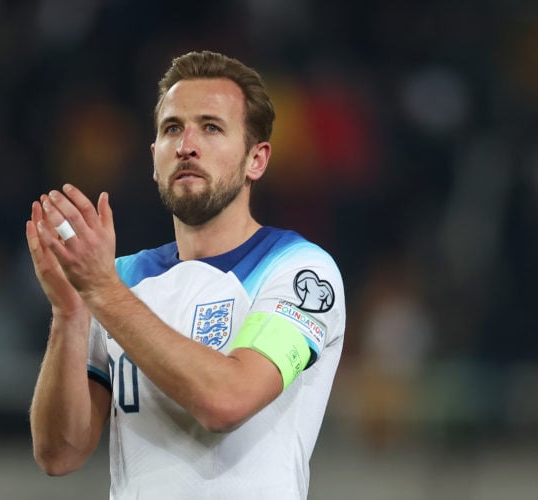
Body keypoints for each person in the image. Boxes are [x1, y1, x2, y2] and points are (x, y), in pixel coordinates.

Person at [26, 50, 345, 500]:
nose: (186, 145)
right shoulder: (123, 278)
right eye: (172, 128)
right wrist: (68, 315)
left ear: (257, 159)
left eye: (211, 127)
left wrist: (101, 291)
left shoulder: (298, 268)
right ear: (154, 157)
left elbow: (226, 401)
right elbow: (60, 454)